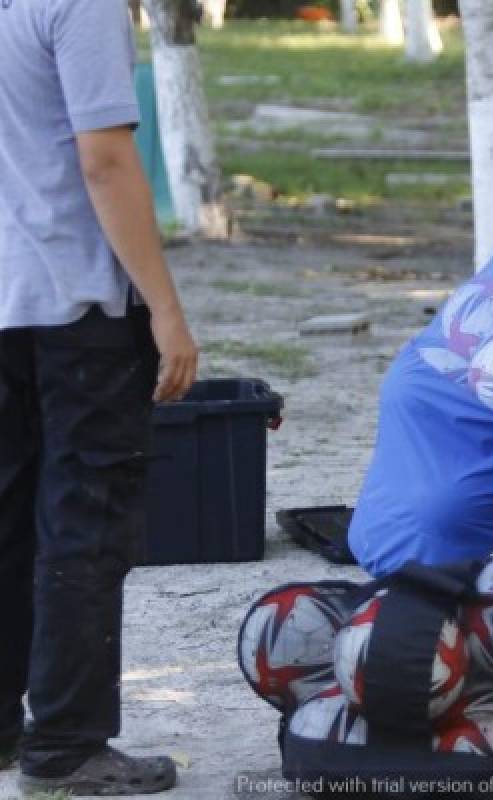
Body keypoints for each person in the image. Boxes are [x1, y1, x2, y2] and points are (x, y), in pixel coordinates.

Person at [0, 0, 198, 794]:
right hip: (75, 301)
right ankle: (68, 743)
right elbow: (105, 161)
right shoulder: (79, 4)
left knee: (7, 516)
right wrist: (167, 309)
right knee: (85, 522)